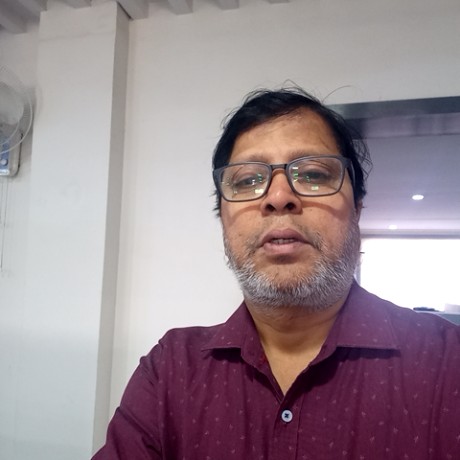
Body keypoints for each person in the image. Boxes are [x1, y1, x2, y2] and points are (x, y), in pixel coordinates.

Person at [92, 87, 460, 459]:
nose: (278, 196)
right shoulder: (171, 371)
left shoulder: (447, 363)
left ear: (357, 210)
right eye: (247, 180)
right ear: (223, 220)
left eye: (313, 173)